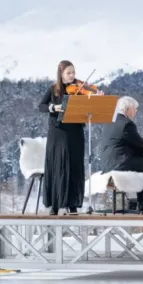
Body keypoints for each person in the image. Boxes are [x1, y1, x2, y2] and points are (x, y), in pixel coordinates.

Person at [37, 60, 94, 215]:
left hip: (75, 131)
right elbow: (41, 106)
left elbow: (91, 101)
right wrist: (53, 107)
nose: (72, 76)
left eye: (73, 72)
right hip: (58, 132)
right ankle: (55, 205)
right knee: (58, 166)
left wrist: (95, 97)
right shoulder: (53, 89)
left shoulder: (80, 88)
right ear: (61, 73)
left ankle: (72, 203)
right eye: (68, 73)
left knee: (74, 166)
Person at [99, 96, 143, 214]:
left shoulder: (111, 122)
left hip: (109, 163)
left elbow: (127, 142)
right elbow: (139, 143)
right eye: (135, 109)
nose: (135, 112)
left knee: (142, 164)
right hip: (120, 163)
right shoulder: (126, 124)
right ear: (128, 109)